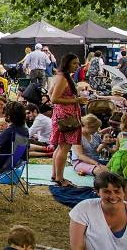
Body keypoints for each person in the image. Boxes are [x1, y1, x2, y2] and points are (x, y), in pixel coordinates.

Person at [50, 53, 88, 187]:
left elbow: (51, 94)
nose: (77, 66)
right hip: (66, 118)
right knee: (64, 148)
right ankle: (60, 179)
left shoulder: (60, 76)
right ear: (66, 64)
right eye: (74, 63)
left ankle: (55, 175)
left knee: (60, 147)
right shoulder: (62, 78)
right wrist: (76, 100)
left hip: (64, 116)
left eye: (78, 63)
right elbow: (53, 99)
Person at [68, 172, 127, 249]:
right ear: (97, 192)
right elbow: (77, 247)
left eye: (117, 191)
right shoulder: (83, 209)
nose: (113, 196)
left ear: (124, 192)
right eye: (107, 192)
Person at [0, 102, 29, 170]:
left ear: (9, 116)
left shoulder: (9, 131)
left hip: (0, 162)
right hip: (18, 161)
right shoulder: (25, 130)